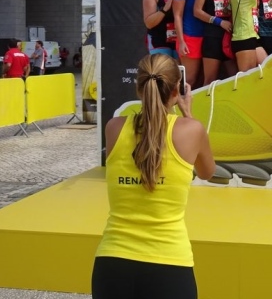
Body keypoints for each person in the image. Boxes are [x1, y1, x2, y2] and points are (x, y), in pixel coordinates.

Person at [92, 54, 215, 299]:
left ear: (139, 88)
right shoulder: (192, 131)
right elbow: (207, 172)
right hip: (170, 265)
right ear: (176, 91)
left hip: (112, 262)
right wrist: (187, 114)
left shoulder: (114, 127)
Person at [193, 0, 236, 86]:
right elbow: (197, 11)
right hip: (212, 37)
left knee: (236, 79)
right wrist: (219, 22)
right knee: (209, 81)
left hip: (230, 37)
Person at [173, 0, 206, 89]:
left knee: (201, 81)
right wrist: (181, 41)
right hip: (190, 38)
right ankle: (179, 103)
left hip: (206, 37)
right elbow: (177, 16)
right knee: (189, 81)